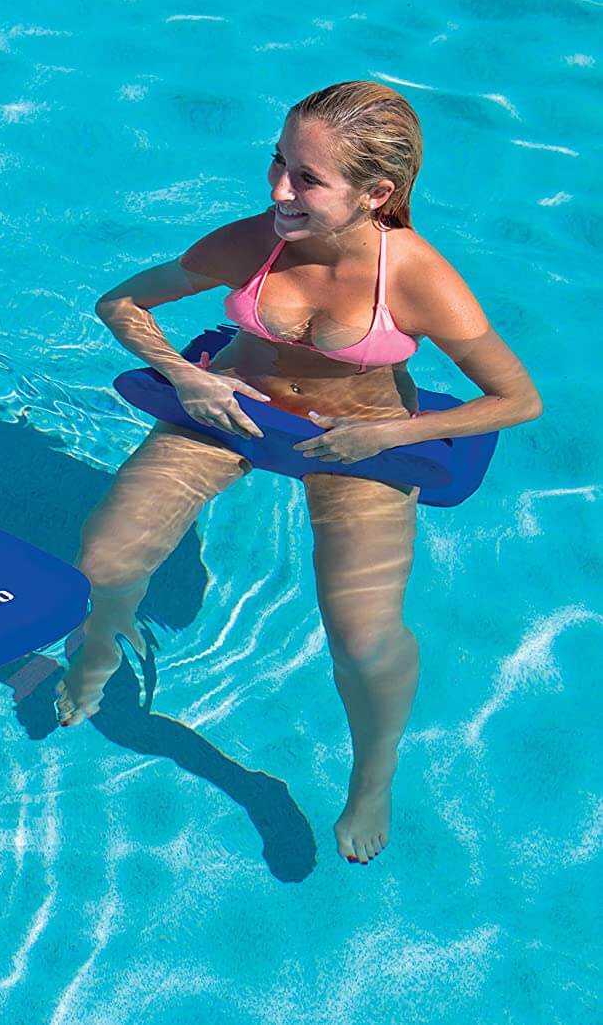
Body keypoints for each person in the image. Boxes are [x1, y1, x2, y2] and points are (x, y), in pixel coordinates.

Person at [55, 81, 541, 865]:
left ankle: (372, 776)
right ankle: (102, 645)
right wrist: (187, 375)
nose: (279, 189)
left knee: (363, 639)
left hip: (361, 443)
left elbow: (516, 400)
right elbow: (121, 305)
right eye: (278, 161)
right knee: (104, 562)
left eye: (306, 179)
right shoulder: (257, 239)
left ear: (377, 192)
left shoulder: (415, 277)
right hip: (235, 412)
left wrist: (389, 435)